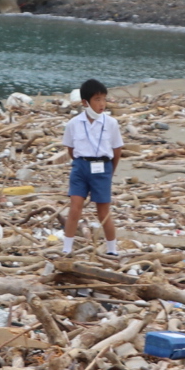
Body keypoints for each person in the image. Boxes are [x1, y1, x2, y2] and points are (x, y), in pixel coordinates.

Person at [62, 79, 124, 257]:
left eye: (104, 99)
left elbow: (117, 149)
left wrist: (109, 171)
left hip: (102, 167)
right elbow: (71, 149)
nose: (102, 104)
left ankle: (112, 249)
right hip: (80, 167)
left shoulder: (111, 123)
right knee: (75, 207)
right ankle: (67, 248)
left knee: (103, 210)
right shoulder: (74, 123)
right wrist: (82, 163)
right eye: (97, 99)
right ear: (85, 102)